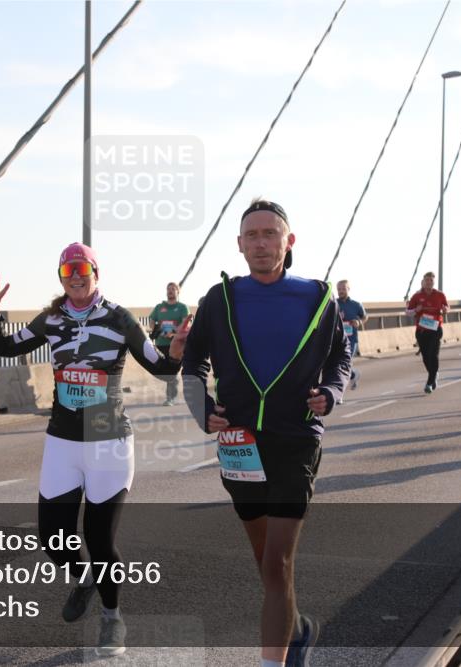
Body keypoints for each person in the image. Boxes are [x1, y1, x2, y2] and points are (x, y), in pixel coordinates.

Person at [0, 243, 191, 657]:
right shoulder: (52, 319)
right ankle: (84, 577)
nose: (75, 276)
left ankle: (113, 620)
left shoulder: (120, 318)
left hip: (108, 441)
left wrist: (177, 355)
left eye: (82, 268)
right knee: (53, 537)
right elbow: (7, 348)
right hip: (62, 439)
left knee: (99, 537)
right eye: (67, 270)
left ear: (96, 272)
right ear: (61, 276)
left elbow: (159, 365)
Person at [182, 198, 352, 667]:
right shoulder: (220, 300)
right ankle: (297, 629)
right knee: (266, 563)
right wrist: (203, 409)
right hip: (239, 444)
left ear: (288, 241)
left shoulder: (317, 298)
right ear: (239, 245)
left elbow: (340, 358)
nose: (261, 243)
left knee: (277, 562)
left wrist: (331, 393)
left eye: (270, 234)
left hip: (296, 440)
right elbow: (193, 362)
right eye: (252, 235)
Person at [406, 272, 450, 394]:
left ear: (433, 282)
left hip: (435, 329)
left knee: (433, 354)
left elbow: (447, 307)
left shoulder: (440, 295)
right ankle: (434, 373)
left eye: (431, 280)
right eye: (427, 280)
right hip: (422, 330)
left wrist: (445, 310)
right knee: (426, 357)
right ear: (423, 282)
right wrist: (416, 310)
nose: (429, 282)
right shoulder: (417, 296)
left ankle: (430, 382)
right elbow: (408, 312)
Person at [149, 282, 190, 406]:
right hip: (161, 343)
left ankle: (171, 397)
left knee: (172, 370)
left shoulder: (182, 307)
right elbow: (152, 321)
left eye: (173, 289)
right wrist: (155, 329)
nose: (170, 291)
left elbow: (185, 325)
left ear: (178, 292)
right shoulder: (159, 307)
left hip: (176, 345)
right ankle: (172, 396)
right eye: (168, 289)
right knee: (166, 371)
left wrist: (173, 332)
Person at [335, 279, 367, 400]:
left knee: (344, 364)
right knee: (339, 365)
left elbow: (365, 317)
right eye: (339, 289)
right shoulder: (334, 303)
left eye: (343, 289)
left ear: (348, 289)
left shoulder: (356, 304)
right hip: (337, 339)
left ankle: (339, 395)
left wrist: (359, 322)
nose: (340, 291)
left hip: (351, 340)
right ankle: (353, 374)